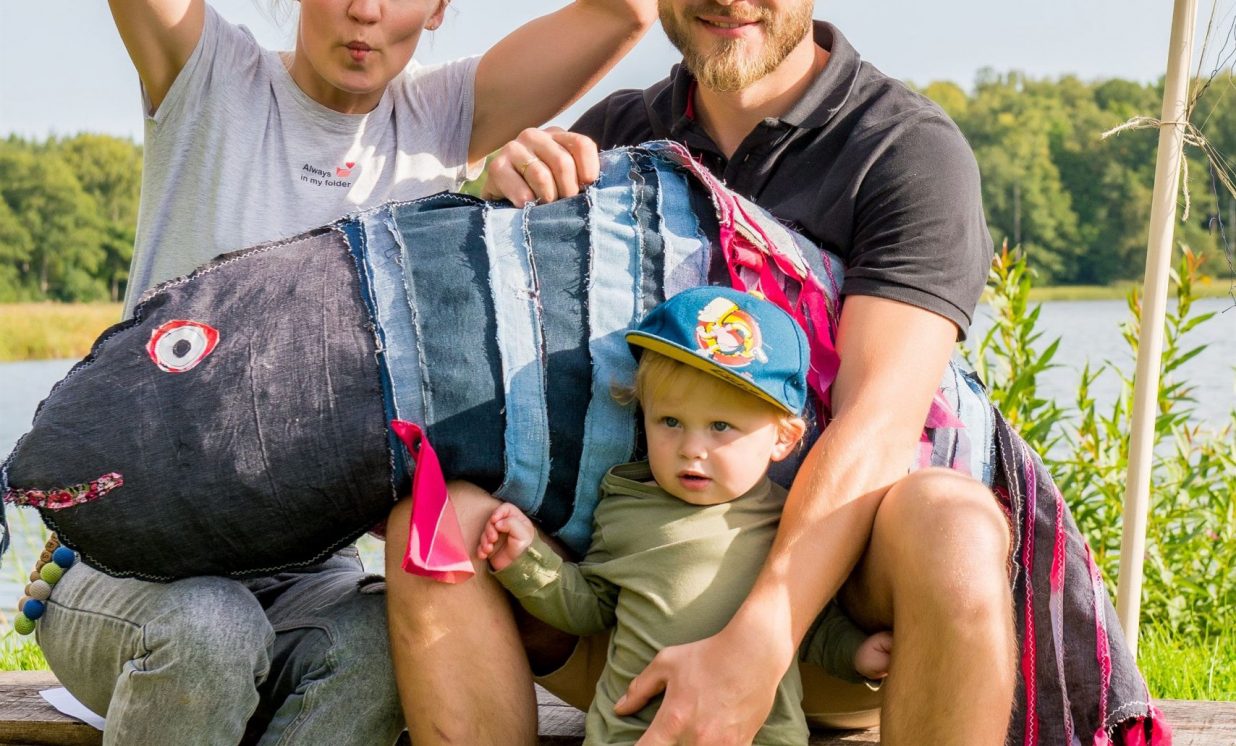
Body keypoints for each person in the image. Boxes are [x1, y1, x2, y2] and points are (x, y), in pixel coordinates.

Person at [397, 1, 1165, 745]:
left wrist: (756, 643)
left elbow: (879, 424)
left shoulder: (902, 148)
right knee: (433, 518)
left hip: (832, 645)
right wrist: (492, 200)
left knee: (954, 523)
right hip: (617, 626)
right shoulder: (615, 135)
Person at [30, 1, 656, 744]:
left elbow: (625, 11)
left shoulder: (444, 116)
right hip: (130, 566)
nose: (365, 10)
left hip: (307, 576)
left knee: (384, 650)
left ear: (437, 9)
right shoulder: (206, 73)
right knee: (210, 630)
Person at [476, 287, 894, 745]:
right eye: (670, 422)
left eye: (720, 426)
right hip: (632, 732)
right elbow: (592, 606)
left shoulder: (788, 521)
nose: (692, 448)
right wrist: (527, 563)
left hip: (758, 734)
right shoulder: (624, 507)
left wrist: (855, 653)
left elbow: (805, 624)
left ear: (783, 439)